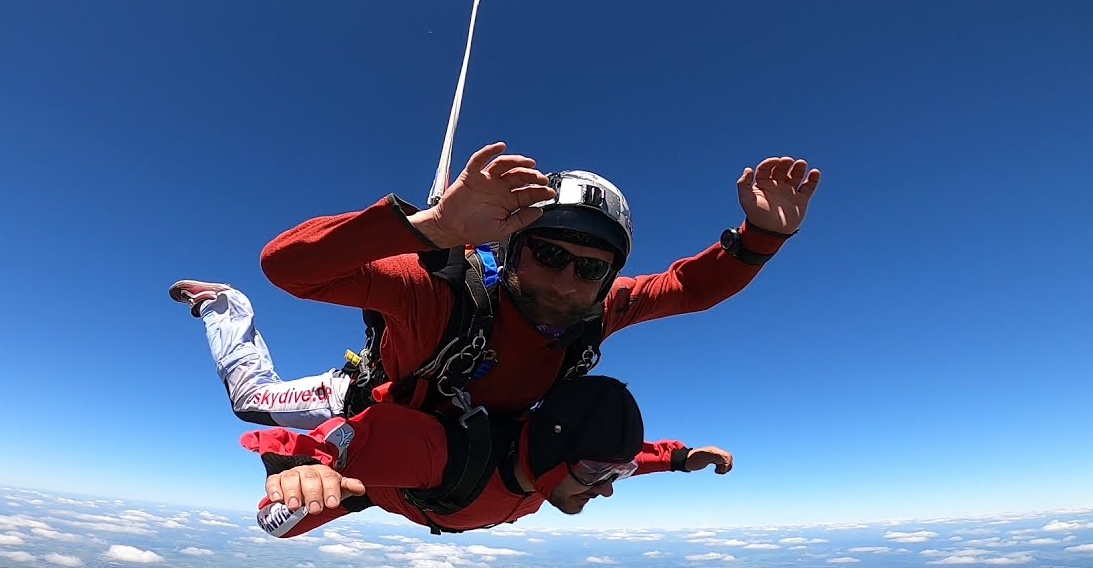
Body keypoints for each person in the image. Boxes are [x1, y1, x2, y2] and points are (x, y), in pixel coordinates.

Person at [171, 142, 821, 433]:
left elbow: (690, 288)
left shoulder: (599, 306)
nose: (567, 277)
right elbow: (290, 269)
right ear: (511, 251)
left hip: (458, 434)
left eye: (591, 266)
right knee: (251, 402)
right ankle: (224, 309)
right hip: (362, 402)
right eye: (546, 252)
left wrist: (760, 236)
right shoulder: (440, 288)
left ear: (608, 276)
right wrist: (428, 229)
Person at [240, 375, 734, 538]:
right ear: (550, 451)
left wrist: (679, 458)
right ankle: (226, 307)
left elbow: (630, 458)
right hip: (370, 471)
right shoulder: (439, 453)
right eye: (598, 474)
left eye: (616, 474)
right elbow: (351, 434)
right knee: (273, 524)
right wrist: (300, 467)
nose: (607, 488)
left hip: (411, 496)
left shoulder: (558, 471)